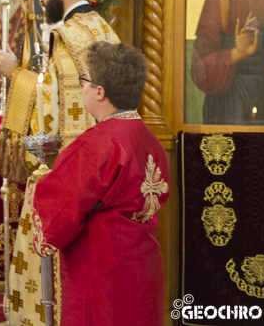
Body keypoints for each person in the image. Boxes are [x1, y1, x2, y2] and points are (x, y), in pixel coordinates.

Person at [0, 0, 119, 326]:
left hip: (66, 164)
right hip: (106, 161)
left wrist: (13, 73)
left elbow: (49, 104)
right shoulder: (104, 29)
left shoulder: (64, 36)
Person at [29, 42, 170, 326]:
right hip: (143, 267)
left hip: (101, 273)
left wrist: (39, 185)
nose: (82, 89)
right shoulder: (152, 142)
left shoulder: (99, 143)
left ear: (99, 91)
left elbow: (61, 204)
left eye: (85, 82)